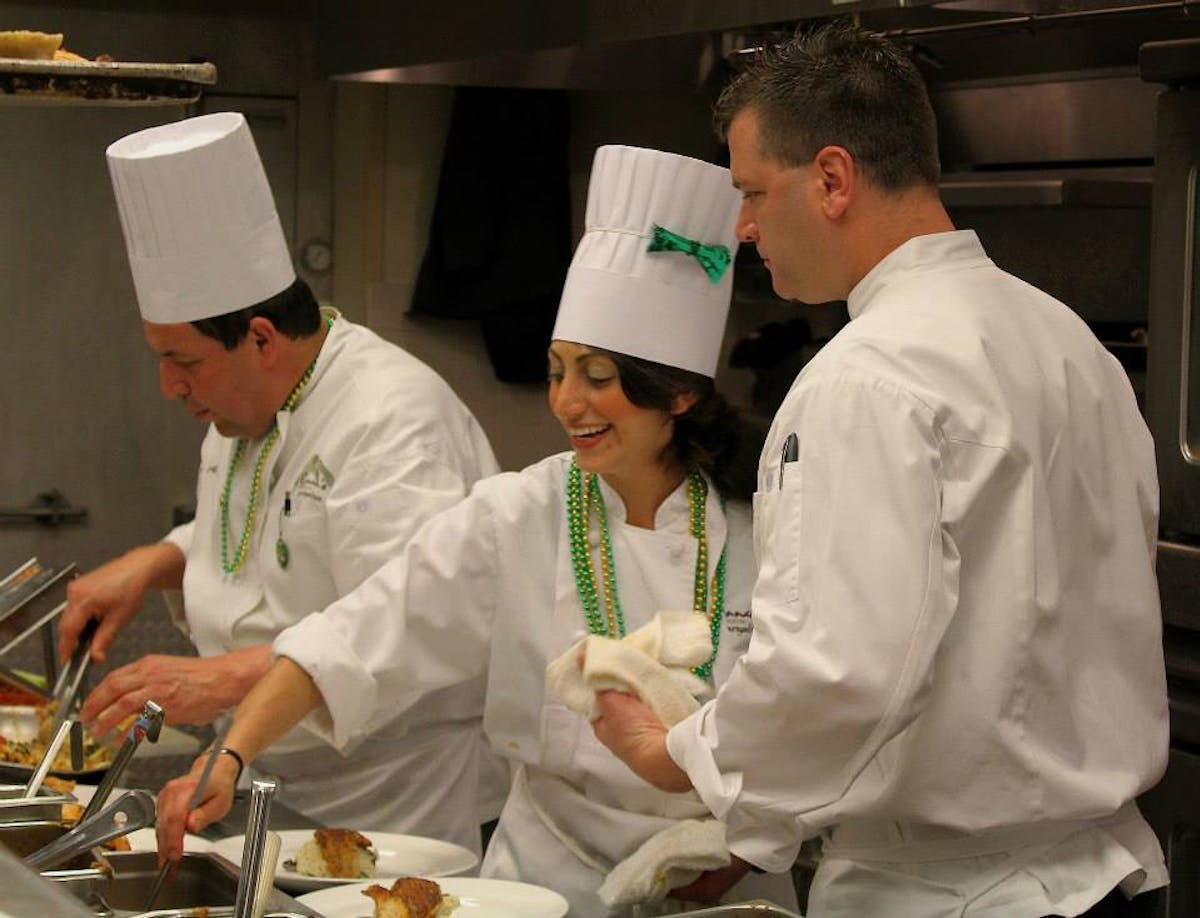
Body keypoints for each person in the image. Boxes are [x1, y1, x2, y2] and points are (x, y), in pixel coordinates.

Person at [591, 19, 1171, 918]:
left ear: (831, 178)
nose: (741, 228)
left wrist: (678, 755)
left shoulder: (866, 377)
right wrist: (757, 837)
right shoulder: (1070, 343)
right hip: (1098, 879)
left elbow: (840, 673)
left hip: (949, 894)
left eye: (751, 192)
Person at [155, 144, 801, 917]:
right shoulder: (519, 513)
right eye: (558, 371)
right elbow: (352, 637)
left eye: (598, 378)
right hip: (550, 879)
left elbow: (815, 719)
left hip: (728, 881)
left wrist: (746, 846)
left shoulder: (768, 526)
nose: (567, 403)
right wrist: (231, 753)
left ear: (680, 396)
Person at [57, 112, 506, 853]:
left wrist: (220, 681)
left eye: (186, 362)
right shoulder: (244, 407)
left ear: (261, 339)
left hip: (397, 807)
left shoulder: (392, 420)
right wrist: (156, 560)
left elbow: (400, 618)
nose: (170, 387)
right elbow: (267, 531)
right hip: (267, 781)